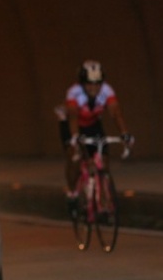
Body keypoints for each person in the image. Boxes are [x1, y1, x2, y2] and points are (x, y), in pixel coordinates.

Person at [56, 60, 135, 216]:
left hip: (92, 124)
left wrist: (125, 133)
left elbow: (115, 113)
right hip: (72, 124)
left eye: (97, 84)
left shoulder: (107, 90)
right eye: (89, 84)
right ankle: (72, 193)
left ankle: (104, 199)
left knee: (104, 161)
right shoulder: (74, 92)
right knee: (74, 157)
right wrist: (75, 138)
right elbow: (73, 117)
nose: (94, 88)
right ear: (82, 84)